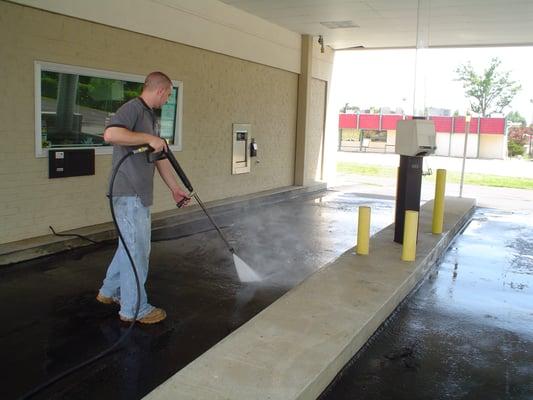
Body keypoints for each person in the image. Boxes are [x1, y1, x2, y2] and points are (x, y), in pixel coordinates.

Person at [96, 71, 190, 324]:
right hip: (128, 194)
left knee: (128, 246)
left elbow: (159, 159)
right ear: (160, 90)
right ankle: (133, 309)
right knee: (136, 251)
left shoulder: (150, 118)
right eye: (169, 95)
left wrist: (174, 188)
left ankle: (109, 291)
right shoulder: (133, 109)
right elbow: (111, 135)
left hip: (137, 195)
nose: (168, 100)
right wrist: (149, 138)